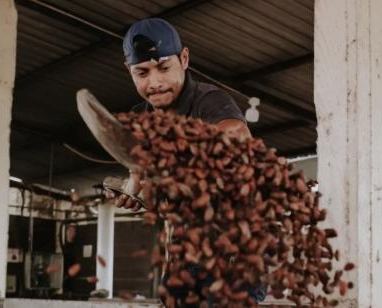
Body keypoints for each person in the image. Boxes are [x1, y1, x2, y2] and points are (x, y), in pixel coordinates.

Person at [108, 18, 265, 306]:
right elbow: (146, 181)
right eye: (142, 72)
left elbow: (237, 134)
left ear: (184, 58)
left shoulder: (208, 100)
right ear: (128, 70)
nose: (154, 83)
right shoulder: (140, 119)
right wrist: (133, 190)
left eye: (164, 68)